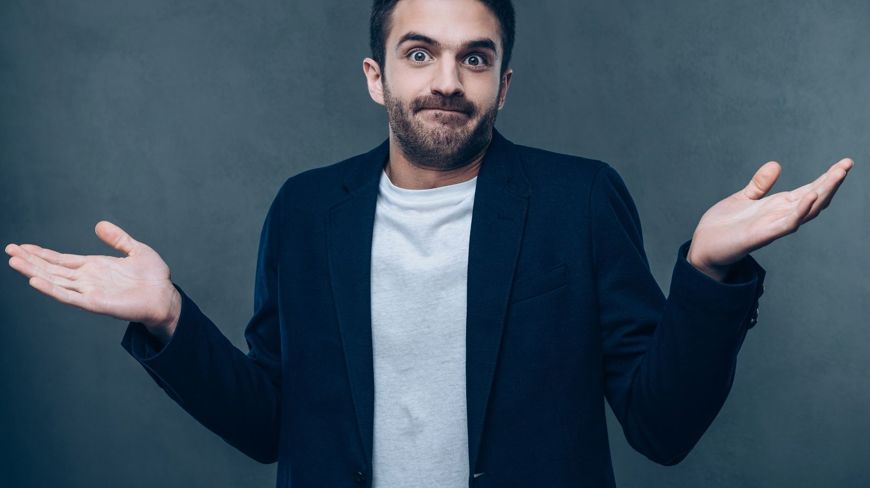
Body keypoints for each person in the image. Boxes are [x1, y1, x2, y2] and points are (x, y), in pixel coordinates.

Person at [4, 0, 853, 486]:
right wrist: (168, 319)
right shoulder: (306, 210)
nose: (447, 80)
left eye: (474, 59)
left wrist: (708, 272)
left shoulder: (580, 201)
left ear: (503, 84)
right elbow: (271, 424)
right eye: (420, 53)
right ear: (377, 77)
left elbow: (661, 428)